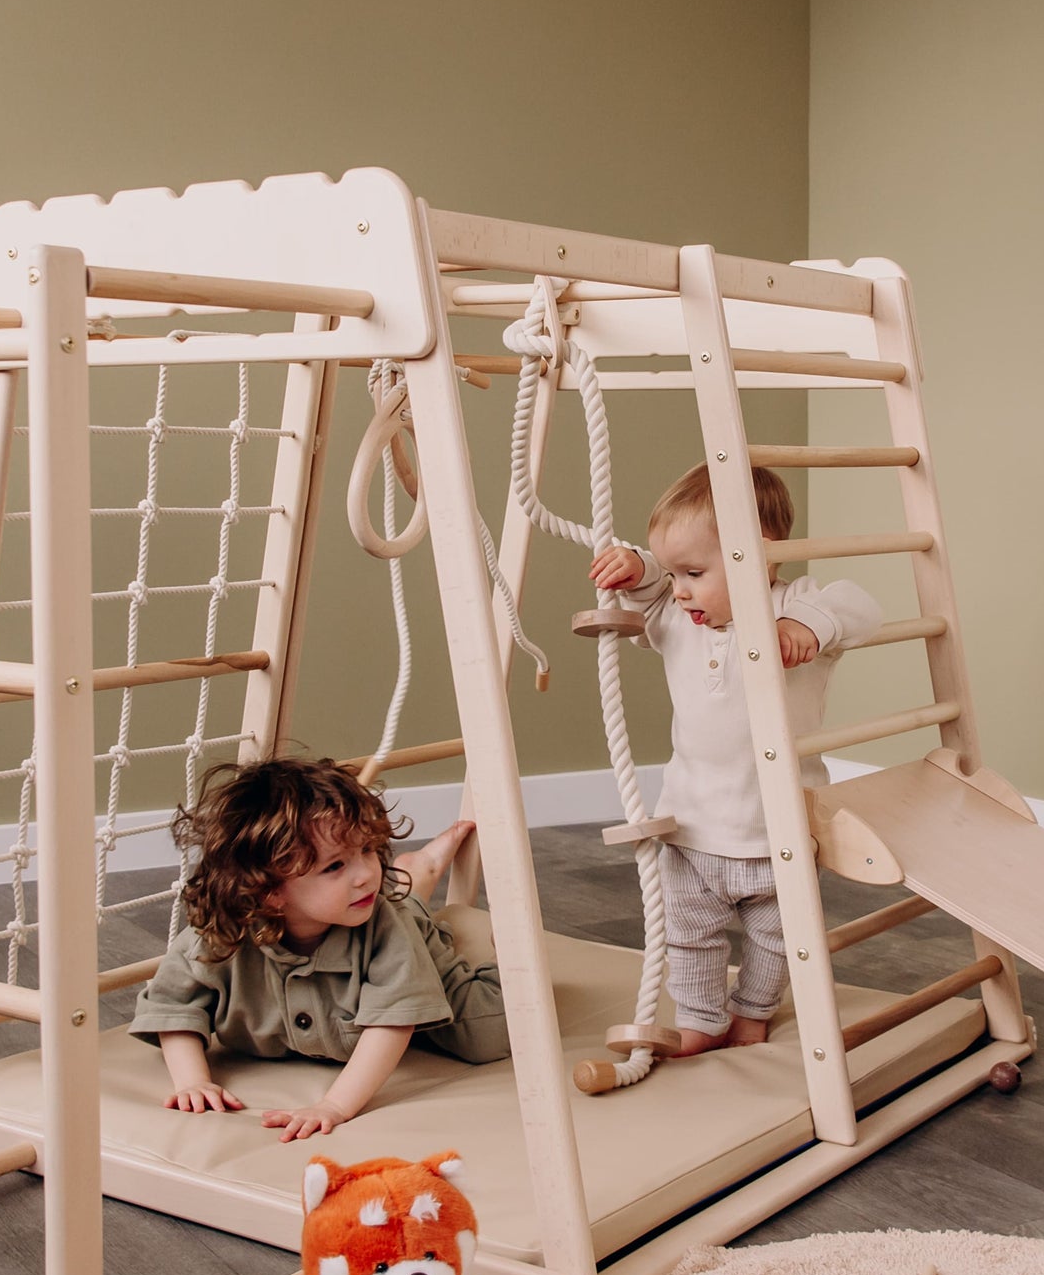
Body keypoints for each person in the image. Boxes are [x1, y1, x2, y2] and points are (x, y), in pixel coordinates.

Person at [589, 463, 881, 1054]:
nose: (680, 589)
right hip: (691, 827)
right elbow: (648, 586)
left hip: (777, 830)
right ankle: (701, 1019)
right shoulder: (675, 615)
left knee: (778, 938)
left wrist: (805, 626)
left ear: (761, 554)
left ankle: (753, 1012)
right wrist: (638, 567)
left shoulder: (795, 606)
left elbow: (860, 606)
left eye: (694, 572)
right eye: (674, 573)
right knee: (689, 936)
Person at [129, 755, 500, 1141]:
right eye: (334, 866)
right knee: (390, 900)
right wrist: (193, 1081)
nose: (366, 873)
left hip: (414, 951)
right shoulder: (217, 938)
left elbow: (393, 1025)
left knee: (485, 1035)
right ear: (268, 891)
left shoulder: (386, 928)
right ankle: (415, 876)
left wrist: (334, 1105)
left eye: (368, 849)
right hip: (371, 916)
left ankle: (482, 934)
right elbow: (172, 1010)